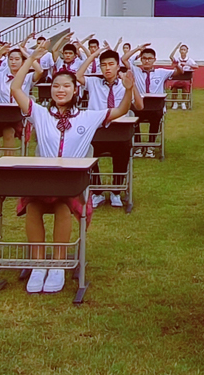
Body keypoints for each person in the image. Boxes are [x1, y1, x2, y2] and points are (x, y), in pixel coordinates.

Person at [9, 38, 138, 294]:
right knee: (34, 207)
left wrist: (128, 89)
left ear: (75, 91)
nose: (60, 90)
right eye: (56, 85)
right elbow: (15, 88)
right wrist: (31, 59)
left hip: (72, 185)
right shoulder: (40, 114)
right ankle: (38, 264)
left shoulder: (88, 117)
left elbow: (121, 111)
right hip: (43, 182)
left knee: (62, 206)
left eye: (66, 86)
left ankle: (58, 264)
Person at [82, 40, 138, 208]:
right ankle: (97, 192)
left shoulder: (124, 84)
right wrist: (92, 56)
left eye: (111, 64)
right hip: (96, 130)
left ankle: (116, 192)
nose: (107, 68)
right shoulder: (93, 82)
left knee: (122, 153)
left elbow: (135, 104)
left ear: (117, 66)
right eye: (103, 65)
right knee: (88, 153)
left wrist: (130, 88)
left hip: (119, 131)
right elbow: (78, 76)